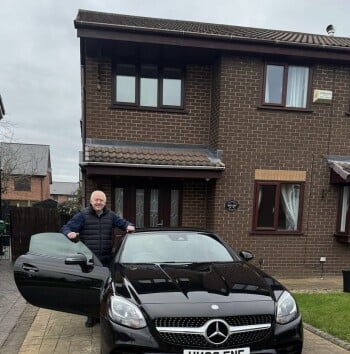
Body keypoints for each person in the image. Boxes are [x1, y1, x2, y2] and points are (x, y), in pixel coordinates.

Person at [60, 190, 135, 327]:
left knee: (105, 289)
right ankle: (90, 316)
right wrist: (69, 233)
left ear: (105, 202)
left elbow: (123, 223)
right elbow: (66, 227)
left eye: (101, 200)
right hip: (89, 259)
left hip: (106, 259)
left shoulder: (110, 216)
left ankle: (102, 315)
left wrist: (129, 226)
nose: (98, 202)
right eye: (96, 200)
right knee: (90, 288)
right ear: (91, 201)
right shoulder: (82, 215)